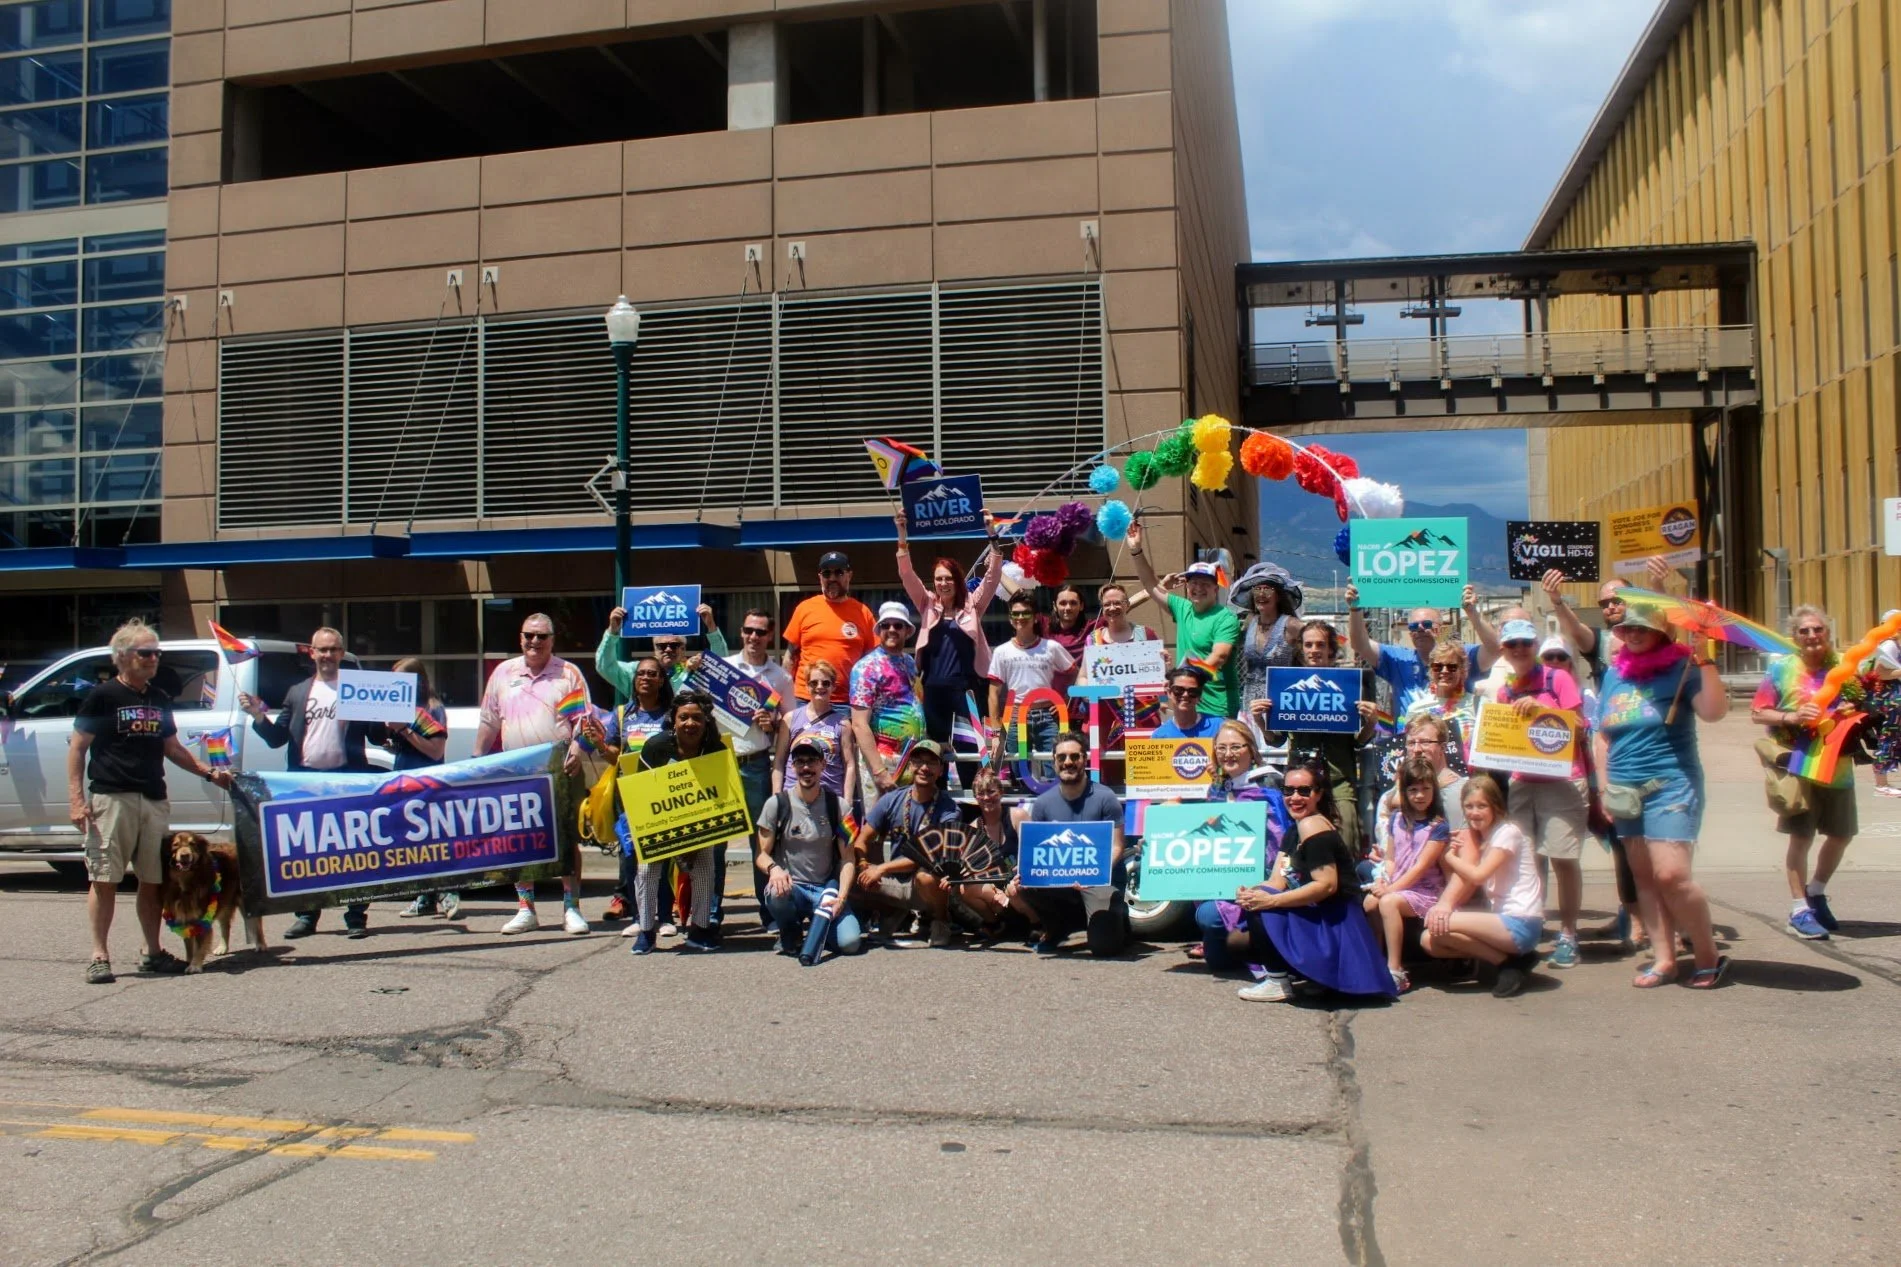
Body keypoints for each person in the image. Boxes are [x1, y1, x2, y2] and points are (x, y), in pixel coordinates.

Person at [70, 619, 235, 983]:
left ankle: (153, 951)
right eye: (146, 653)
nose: (153, 659)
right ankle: (100, 955)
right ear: (123, 656)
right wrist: (77, 801)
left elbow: (172, 748)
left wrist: (209, 773)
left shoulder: (158, 699)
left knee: (152, 880)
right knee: (105, 878)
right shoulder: (104, 696)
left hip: (153, 799)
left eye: (156, 654)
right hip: (112, 798)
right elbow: (78, 747)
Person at [1593, 605, 1730, 987]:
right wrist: (1603, 786)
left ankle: (1707, 954)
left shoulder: (1682, 668)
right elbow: (1603, 734)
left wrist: (1705, 660)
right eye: (1626, 628)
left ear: (1661, 633)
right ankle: (1664, 959)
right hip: (1622, 786)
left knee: (1671, 874)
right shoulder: (1615, 675)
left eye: (1642, 628)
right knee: (1644, 879)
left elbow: (1714, 712)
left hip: (1670, 783)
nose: (1632, 634)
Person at [239, 626, 382, 940]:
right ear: (312, 653)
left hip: (348, 780)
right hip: (306, 782)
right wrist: (258, 716)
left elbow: (376, 735)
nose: (327, 656)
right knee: (306, 853)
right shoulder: (298, 691)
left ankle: (356, 915)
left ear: (342, 654)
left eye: (333, 650)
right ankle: (306, 915)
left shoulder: (359, 688)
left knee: (355, 851)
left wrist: (391, 718)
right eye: (322, 650)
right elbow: (278, 739)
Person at [1226, 759, 1396, 1002]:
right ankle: (1314, 976)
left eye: (1304, 791)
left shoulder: (1313, 826)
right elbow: (1277, 880)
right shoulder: (1295, 828)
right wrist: (1252, 892)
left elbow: (1326, 885)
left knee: (1262, 909)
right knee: (1238, 936)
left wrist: (1270, 902)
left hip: (1336, 925)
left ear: (1318, 794)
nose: (1295, 797)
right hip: (1316, 916)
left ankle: (1278, 981)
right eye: (1288, 791)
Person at [474, 613, 594, 937]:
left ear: (552, 640)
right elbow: (489, 722)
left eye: (542, 636)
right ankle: (526, 908)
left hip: (560, 768)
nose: (535, 642)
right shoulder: (503, 673)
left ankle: (571, 907)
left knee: (565, 840)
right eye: (529, 635)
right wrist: (476, 761)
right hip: (517, 770)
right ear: (520, 637)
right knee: (519, 841)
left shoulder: (567, 674)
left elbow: (583, 722)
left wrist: (577, 752)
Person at [1751, 605, 1863, 939]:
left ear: (1828, 631)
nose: (1812, 636)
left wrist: (1851, 709)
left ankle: (1816, 892)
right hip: (1799, 762)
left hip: (1838, 763)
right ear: (1795, 636)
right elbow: (1758, 713)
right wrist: (1792, 717)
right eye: (1805, 631)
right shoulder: (1783, 669)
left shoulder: (1845, 668)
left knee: (1842, 833)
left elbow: (1864, 702)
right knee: (1802, 836)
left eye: (1818, 629)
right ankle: (1799, 910)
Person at [1486, 616, 1590, 969]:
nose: (1518, 650)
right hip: (1522, 782)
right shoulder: (1505, 691)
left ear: (1535, 646)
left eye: (1525, 644)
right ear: (1503, 650)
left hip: (1562, 781)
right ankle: (1531, 928)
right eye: (1511, 645)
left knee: (1563, 859)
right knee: (1526, 862)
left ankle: (1569, 934)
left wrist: (1544, 710)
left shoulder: (1556, 678)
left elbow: (1579, 726)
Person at [1421, 774, 1545, 998]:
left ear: (1495, 806)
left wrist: (1449, 857)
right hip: (1503, 921)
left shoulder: (1508, 833)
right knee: (1430, 940)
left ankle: (1509, 962)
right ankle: (1508, 962)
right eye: (1468, 806)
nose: (1474, 812)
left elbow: (1478, 876)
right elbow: (1459, 878)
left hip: (1522, 922)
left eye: (1481, 806)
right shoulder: (1482, 836)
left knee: (1439, 921)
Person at [1008, 731, 1128, 956]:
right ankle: (1057, 928)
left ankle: (1113, 920)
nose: (1068, 762)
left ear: (1085, 759)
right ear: (1054, 761)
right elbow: (1039, 852)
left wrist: (1094, 874)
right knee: (1025, 883)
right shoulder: (1043, 804)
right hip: (1062, 881)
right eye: (1061, 757)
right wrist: (1025, 869)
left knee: (1105, 947)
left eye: (1075, 756)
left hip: (1101, 880)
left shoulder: (1105, 798)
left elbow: (1117, 847)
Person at [1257, 620, 1373, 852]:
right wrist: (1261, 719)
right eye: (1309, 645)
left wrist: (1371, 721)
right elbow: (1275, 740)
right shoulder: (1286, 685)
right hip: (1302, 781)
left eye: (1320, 644)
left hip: (1339, 779)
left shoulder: (1350, 686)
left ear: (1331, 649)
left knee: (1347, 841)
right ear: (1301, 649)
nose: (1314, 650)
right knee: (1303, 846)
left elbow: (1361, 740)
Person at [626, 689, 727, 954]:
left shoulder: (716, 749)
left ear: (706, 721)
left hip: (699, 824)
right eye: (684, 717)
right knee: (647, 870)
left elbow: (721, 797)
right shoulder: (656, 746)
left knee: (705, 867)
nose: (690, 723)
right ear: (674, 719)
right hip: (658, 823)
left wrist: (694, 839)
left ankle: (700, 930)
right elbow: (642, 794)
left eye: (696, 718)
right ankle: (647, 932)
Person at [1189, 721, 1294, 972]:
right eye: (1221, 748)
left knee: (1208, 915)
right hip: (1223, 878)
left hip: (1263, 879)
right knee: (1218, 962)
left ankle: (1269, 945)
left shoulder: (1269, 785)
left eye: (1236, 746)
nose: (1228, 754)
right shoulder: (1217, 788)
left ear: (1251, 750)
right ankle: (1244, 942)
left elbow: (1282, 839)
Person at [895, 512, 1005, 746]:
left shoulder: (972, 605)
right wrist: (902, 534)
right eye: (938, 579)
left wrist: (992, 535)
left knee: (969, 749)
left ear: (957, 580)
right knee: (935, 751)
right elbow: (906, 574)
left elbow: (993, 576)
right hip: (932, 692)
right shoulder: (927, 604)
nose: (943, 584)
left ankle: (972, 783)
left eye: (948, 578)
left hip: (966, 692)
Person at [718, 607, 793, 932]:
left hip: (757, 765)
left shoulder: (780, 677)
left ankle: (770, 914)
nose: (753, 637)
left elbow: (790, 725)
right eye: (748, 630)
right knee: (715, 841)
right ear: (741, 632)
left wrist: (774, 723)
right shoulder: (726, 669)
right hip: (720, 765)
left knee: (761, 842)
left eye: (760, 632)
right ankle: (709, 915)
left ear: (770, 636)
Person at [756, 731, 862, 959]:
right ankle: (790, 931)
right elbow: (761, 855)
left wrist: (841, 898)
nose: (806, 767)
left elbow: (848, 859)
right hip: (792, 887)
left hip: (825, 889)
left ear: (823, 764)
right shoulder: (776, 804)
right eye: (800, 762)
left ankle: (819, 927)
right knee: (775, 892)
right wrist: (774, 870)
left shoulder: (839, 807)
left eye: (812, 761)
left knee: (850, 943)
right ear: (793, 767)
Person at [851, 740, 962, 947]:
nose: (924, 768)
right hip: (893, 880)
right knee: (849, 874)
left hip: (927, 883)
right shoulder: (891, 800)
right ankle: (891, 913)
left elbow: (928, 854)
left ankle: (941, 920)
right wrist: (865, 866)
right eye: (919, 761)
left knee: (926, 877)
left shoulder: (949, 809)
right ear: (910, 765)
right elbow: (862, 839)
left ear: (940, 770)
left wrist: (881, 868)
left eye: (931, 763)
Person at [1125, 518, 1240, 718]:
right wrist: (1136, 550)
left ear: (1215, 588)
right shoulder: (1183, 608)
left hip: (1217, 709)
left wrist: (1184, 677)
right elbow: (1151, 586)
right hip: (1185, 705)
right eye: (1194, 582)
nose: (1198, 588)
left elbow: (1219, 656)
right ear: (1187, 586)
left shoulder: (1225, 618)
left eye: (1205, 583)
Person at [1345, 582, 1499, 712]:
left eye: (1426, 624)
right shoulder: (1398, 659)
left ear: (1440, 628)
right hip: (1410, 741)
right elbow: (1360, 644)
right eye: (1413, 626)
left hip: (1455, 740)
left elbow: (1495, 649)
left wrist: (1472, 613)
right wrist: (1355, 609)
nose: (1419, 629)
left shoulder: (1460, 656)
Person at [1365, 757, 1449, 994]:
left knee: (1388, 902)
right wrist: (1383, 879)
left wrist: (1390, 890)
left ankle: (1395, 969)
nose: (1419, 795)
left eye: (1425, 789)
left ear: (1434, 789)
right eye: (1413, 790)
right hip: (1399, 882)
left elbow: (1420, 867)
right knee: (1370, 901)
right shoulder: (1396, 819)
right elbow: (1391, 859)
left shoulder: (1437, 826)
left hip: (1424, 890)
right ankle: (1376, 960)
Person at [600, 657, 673, 925]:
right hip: (629, 794)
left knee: (662, 853)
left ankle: (665, 916)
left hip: (662, 792)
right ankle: (638, 915)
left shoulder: (670, 715)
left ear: (661, 680)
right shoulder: (622, 714)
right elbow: (614, 756)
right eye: (641, 673)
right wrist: (599, 743)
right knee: (630, 854)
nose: (645, 677)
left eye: (652, 674)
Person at [387, 658, 455, 921]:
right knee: (413, 842)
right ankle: (425, 898)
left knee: (433, 841)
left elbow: (436, 750)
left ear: (418, 681)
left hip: (426, 783)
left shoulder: (432, 710)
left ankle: (448, 892)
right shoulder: (401, 708)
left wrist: (404, 729)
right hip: (404, 778)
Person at [1541, 557, 1672, 686]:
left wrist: (1657, 583)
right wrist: (1556, 600)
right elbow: (1574, 628)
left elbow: (1663, 621)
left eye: (1617, 601)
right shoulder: (1599, 640)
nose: (1610, 607)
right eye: (1604, 603)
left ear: (1633, 601)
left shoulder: (1650, 634)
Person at [987, 591, 1075, 773]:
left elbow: (1075, 673)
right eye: (1015, 614)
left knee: (1055, 771)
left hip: (1048, 716)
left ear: (1035, 618)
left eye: (1026, 613)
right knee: (1019, 774)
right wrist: (996, 733)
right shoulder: (1001, 651)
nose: (1020, 617)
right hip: (1015, 716)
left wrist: (1066, 699)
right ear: (1010, 619)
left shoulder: (1051, 647)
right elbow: (993, 694)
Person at [850, 601, 927, 802]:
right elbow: (859, 724)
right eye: (886, 625)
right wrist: (878, 770)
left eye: (898, 625)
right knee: (878, 828)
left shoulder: (910, 663)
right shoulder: (866, 667)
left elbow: (915, 707)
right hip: (883, 763)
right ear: (879, 630)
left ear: (907, 631)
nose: (891, 630)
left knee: (906, 825)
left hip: (911, 761)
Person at [785, 550, 878, 704]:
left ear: (849, 575)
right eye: (827, 573)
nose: (832, 578)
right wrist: (783, 696)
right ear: (820, 577)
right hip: (804, 698)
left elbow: (873, 662)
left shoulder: (863, 613)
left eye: (839, 573)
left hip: (846, 701)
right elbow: (790, 656)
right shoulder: (805, 608)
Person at [599, 601, 725, 696]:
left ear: (683, 648)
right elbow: (606, 667)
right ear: (654, 648)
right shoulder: (639, 671)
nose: (668, 649)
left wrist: (711, 626)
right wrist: (612, 632)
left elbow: (721, 666)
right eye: (662, 646)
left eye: (674, 645)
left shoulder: (694, 668)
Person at [773, 659, 855, 799]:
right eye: (814, 683)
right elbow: (779, 761)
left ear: (833, 687)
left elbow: (850, 765)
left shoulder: (843, 723)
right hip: (794, 797)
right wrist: (777, 799)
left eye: (826, 683)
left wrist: (847, 803)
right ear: (806, 686)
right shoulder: (790, 718)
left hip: (830, 798)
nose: (819, 687)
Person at [1230, 561, 1302, 714]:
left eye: (1268, 590)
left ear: (1278, 596)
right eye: (1257, 590)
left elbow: (1319, 643)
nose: (1261, 595)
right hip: (1250, 704)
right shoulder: (1250, 622)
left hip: (1281, 703)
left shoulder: (1291, 624)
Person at [1869, 611, 1901, 798]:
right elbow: (1879, 672)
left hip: (1895, 701)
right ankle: (1881, 784)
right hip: (1892, 701)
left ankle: (1884, 783)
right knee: (1888, 739)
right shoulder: (1888, 645)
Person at [1153, 664, 1224, 740]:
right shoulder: (1160, 736)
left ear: (1199, 696)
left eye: (1192, 691)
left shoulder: (1219, 727)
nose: (1185, 695)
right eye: (1178, 690)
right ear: (1169, 693)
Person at [1047, 585, 1091, 697]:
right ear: (1054, 606)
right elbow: (1020, 595)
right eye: (1062, 603)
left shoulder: (1091, 627)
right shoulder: (1044, 627)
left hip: (1082, 703)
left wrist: (1143, 594)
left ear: (1081, 606)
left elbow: (1117, 608)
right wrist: (998, 570)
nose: (1068, 607)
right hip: (1050, 704)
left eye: (1073, 603)